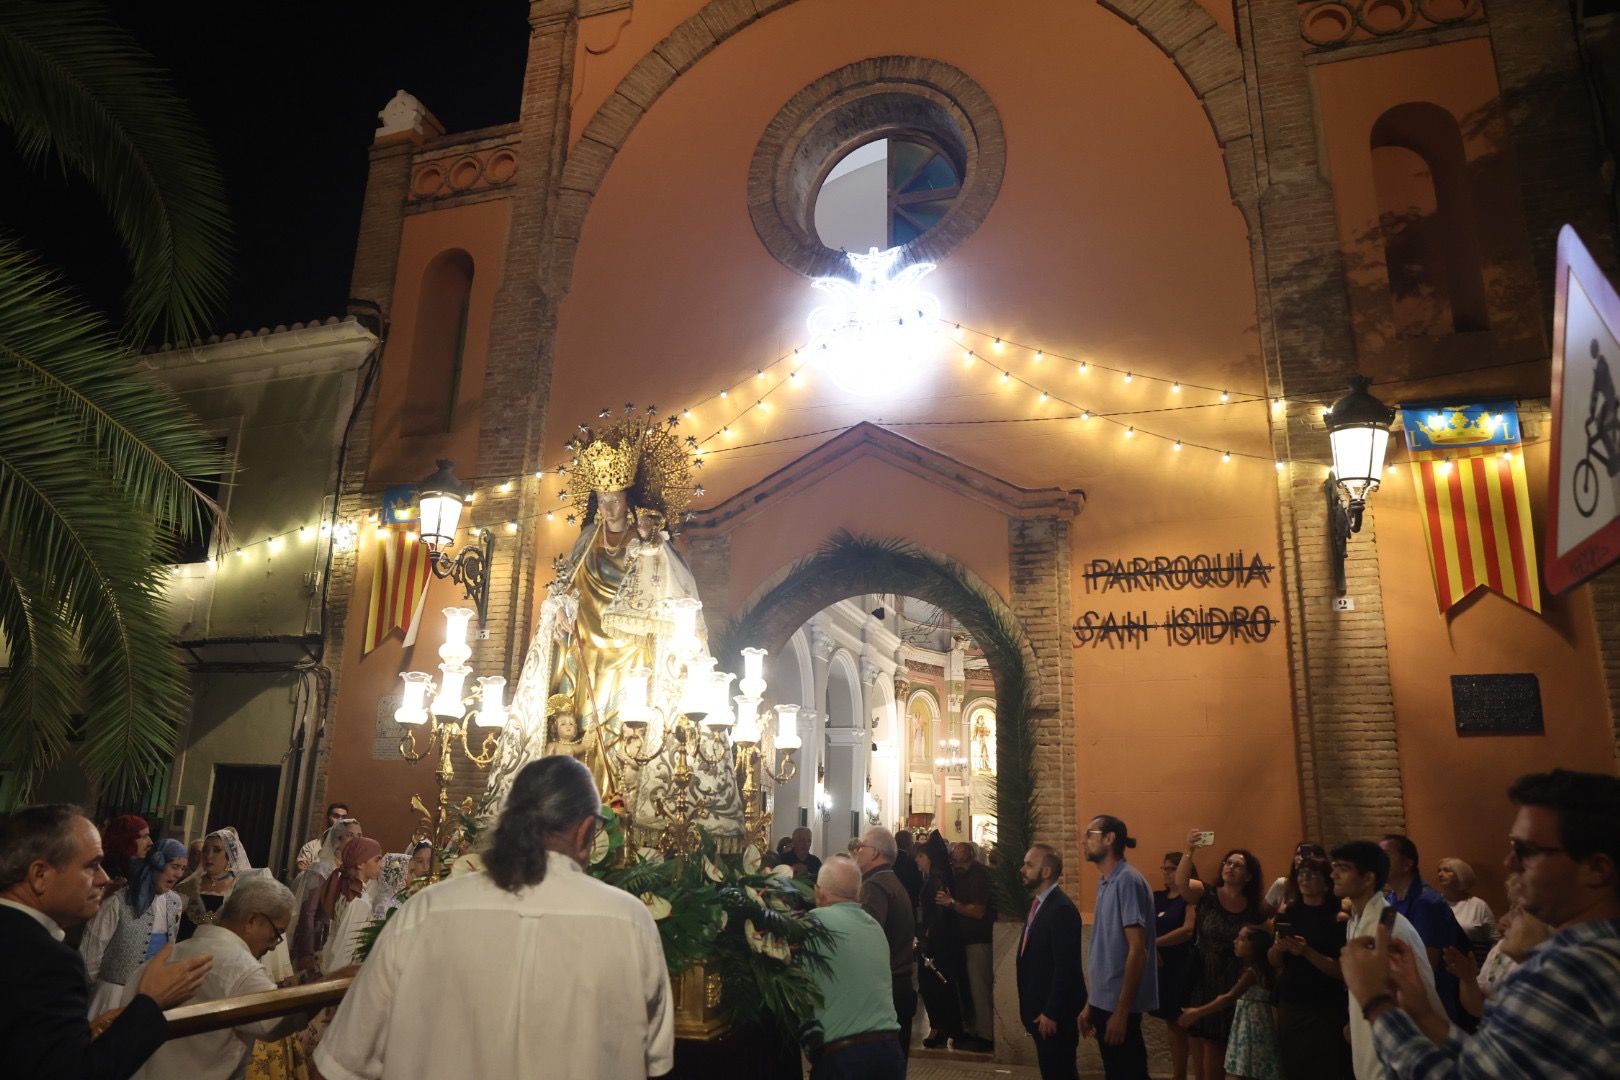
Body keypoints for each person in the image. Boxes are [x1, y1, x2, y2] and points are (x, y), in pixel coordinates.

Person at [313, 756, 673, 1079]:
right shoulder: (630, 922)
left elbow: (342, 1060)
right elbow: (654, 1061)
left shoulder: (426, 911)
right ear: (585, 832)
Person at [1345, 769, 1620, 1079]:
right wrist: (1423, 1013)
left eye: (1526, 851)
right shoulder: (1599, 954)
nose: (1509, 862)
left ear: (1596, 869)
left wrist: (1374, 1001)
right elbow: (1493, 1065)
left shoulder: (1567, 972)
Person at [0, 804, 210, 1078]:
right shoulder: (49, 963)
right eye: (91, 866)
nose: (104, 878)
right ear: (40, 875)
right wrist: (150, 1004)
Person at [123, 876, 312, 1080]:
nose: (274, 945)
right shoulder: (241, 968)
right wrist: (327, 986)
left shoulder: (158, 962)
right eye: (276, 933)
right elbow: (277, 1023)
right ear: (252, 921)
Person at [1327, 839, 1440, 1080]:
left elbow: (1417, 994)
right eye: (1334, 866)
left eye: (1343, 868)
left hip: (1395, 1053)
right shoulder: (1356, 921)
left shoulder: (1389, 928)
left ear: (1368, 879)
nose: (1333, 874)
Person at [803, 856, 904, 1079]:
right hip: (889, 1051)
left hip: (843, 1057)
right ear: (858, 893)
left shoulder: (813, 923)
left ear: (818, 891)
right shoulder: (874, 927)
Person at [1178, 831, 1267, 1080]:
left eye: (1238, 865)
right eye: (1228, 863)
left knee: (1240, 1046)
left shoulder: (1253, 908)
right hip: (1206, 975)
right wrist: (1189, 850)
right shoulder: (1207, 894)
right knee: (1210, 1045)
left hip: (1238, 979)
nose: (1230, 867)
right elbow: (1182, 884)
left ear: (1248, 876)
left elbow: (1264, 939)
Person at [1080, 815, 1156, 1080]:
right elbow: (1106, 949)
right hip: (1104, 1002)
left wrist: (1121, 1011)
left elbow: (1138, 949)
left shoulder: (1127, 881)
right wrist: (1092, 1003)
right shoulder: (1106, 881)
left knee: (1129, 1072)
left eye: (1090, 834)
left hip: (1119, 1005)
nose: (1083, 841)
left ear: (1109, 838)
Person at [81, 838, 189, 1017]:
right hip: (112, 997)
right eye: (174, 866)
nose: (179, 874)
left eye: (183, 869)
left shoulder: (174, 902)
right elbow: (90, 955)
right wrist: (103, 986)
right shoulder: (119, 902)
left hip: (150, 997)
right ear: (157, 863)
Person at [1268, 855, 1352, 1080]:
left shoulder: (1338, 918)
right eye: (1302, 873)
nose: (1305, 878)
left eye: (1313, 874)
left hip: (1325, 1004)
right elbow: (1273, 961)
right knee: (1294, 1065)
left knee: (1327, 1065)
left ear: (1326, 883)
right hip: (1292, 999)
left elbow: (1341, 972)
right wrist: (1279, 948)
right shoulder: (1288, 914)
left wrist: (1307, 952)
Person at [1381, 834, 1469, 1025]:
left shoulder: (1427, 903)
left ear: (1407, 864)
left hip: (1432, 1005)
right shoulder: (1390, 901)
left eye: (1385, 855)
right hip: (1403, 1000)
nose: (1378, 861)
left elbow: (1426, 965)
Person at [1015, 843, 1085, 1080]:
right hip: (1040, 1011)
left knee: (1060, 1071)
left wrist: (1051, 1012)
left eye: (1029, 865)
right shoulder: (1041, 905)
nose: (1022, 870)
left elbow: (1066, 967)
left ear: (1046, 872)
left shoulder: (1061, 909)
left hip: (1053, 1015)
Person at [1180, 925, 1281, 1079]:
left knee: (1250, 1071)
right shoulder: (1251, 970)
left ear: (1255, 945)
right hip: (1247, 1024)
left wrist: (1197, 1012)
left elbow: (1228, 997)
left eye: (1241, 939)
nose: (1235, 942)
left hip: (1252, 1028)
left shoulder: (1252, 973)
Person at [853, 826, 917, 1057]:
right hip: (898, 984)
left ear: (875, 853)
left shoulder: (875, 886)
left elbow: (868, 937)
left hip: (885, 989)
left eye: (862, 847)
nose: (858, 852)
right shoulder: (892, 881)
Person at [939, 840, 995, 1051]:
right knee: (970, 988)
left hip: (978, 939)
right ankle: (974, 1030)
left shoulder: (979, 876)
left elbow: (978, 911)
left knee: (979, 987)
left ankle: (986, 1035)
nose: (954, 861)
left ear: (968, 857)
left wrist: (952, 904)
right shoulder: (960, 874)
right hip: (964, 940)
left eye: (957, 857)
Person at [1149, 852, 1197, 1080]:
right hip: (1162, 966)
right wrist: (1153, 948)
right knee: (1171, 1020)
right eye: (1164, 868)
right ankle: (1178, 1074)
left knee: (1186, 1022)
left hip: (1183, 965)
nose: (1166, 873)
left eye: (1171, 869)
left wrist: (1155, 943)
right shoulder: (1157, 897)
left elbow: (1187, 930)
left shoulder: (1189, 898)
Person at [914, 832, 965, 1048]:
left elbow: (937, 913)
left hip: (936, 943)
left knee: (933, 985)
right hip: (940, 941)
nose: (917, 861)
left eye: (921, 857)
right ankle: (944, 1027)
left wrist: (926, 937)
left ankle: (938, 1028)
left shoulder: (936, 879)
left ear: (930, 858)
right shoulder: (936, 877)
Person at [290, 817, 360, 970]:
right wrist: (306, 953)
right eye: (350, 835)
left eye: (359, 836)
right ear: (338, 839)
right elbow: (308, 913)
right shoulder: (321, 869)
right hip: (317, 938)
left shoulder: (352, 870)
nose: (356, 840)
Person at [318, 836, 384, 974]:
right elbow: (345, 948)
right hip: (342, 971)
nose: (381, 865)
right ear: (360, 864)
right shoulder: (358, 901)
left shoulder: (345, 890)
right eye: (377, 860)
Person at [1434, 857, 1497, 965]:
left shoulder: (1478, 905)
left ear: (1460, 874)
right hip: (1442, 970)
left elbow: (1495, 940)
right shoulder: (1435, 905)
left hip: (1474, 969)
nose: (1440, 874)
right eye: (1439, 870)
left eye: (1446, 870)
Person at [99, 815, 153, 900]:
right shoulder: (103, 873)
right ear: (127, 840)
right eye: (144, 837)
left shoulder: (140, 871)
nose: (150, 842)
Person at [1264, 842, 1326, 911]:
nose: (1300, 858)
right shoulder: (1283, 884)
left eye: (1305, 854)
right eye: (1298, 854)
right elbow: (1262, 915)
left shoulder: (1325, 884)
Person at [296, 802, 351, 874]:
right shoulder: (310, 847)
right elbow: (304, 875)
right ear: (328, 817)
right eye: (336, 816)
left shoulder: (350, 849)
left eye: (343, 817)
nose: (340, 820)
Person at [893, 829, 923, 906]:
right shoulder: (913, 862)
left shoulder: (890, 859)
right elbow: (918, 884)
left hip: (892, 902)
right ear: (909, 844)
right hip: (909, 902)